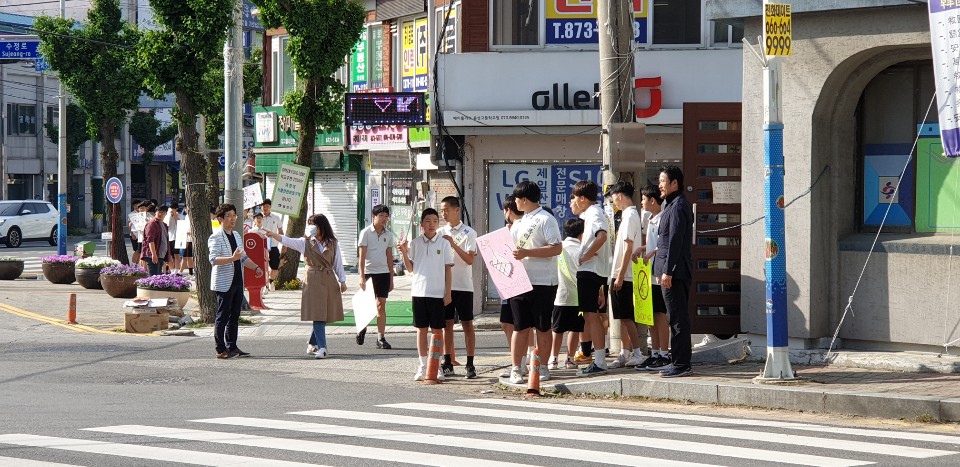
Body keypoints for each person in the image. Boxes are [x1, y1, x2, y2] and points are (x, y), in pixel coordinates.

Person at [263, 215, 347, 359]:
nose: (310, 227)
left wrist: (343, 280)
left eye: (313, 224)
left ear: (322, 226)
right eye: (309, 224)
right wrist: (274, 235)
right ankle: (322, 348)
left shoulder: (332, 242)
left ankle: (311, 343)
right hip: (313, 279)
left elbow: (338, 262)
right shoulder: (305, 242)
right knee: (318, 314)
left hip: (328, 277)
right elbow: (288, 241)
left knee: (325, 314)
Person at [507, 181, 562, 384]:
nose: (514, 202)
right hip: (519, 281)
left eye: (516, 198)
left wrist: (527, 253)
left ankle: (543, 366)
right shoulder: (518, 223)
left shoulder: (546, 219)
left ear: (524, 199)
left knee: (542, 327)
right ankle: (516, 368)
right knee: (520, 327)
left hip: (543, 282)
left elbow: (556, 248)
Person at [398, 208, 453, 382]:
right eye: (428, 221)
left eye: (435, 221)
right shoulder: (415, 243)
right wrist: (404, 252)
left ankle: (436, 367)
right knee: (421, 330)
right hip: (419, 292)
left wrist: (448, 292)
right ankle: (422, 365)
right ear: (421, 224)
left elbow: (447, 269)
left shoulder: (444, 244)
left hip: (437, 293)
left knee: (437, 331)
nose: (431, 224)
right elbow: (410, 268)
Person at [208, 203, 264, 359]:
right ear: (220, 218)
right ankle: (220, 349)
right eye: (229, 216)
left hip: (238, 281)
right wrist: (232, 258)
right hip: (224, 282)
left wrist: (256, 267)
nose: (233, 219)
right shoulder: (216, 236)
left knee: (234, 316)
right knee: (222, 316)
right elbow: (213, 259)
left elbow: (243, 257)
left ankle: (232, 346)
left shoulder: (237, 235)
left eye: (234, 215)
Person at [569, 180, 613, 376]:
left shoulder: (594, 212)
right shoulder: (593, 213)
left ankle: (600, 362)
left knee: (591, 315)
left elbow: (601, 236)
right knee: (591, 315)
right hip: (594, 271)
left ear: (583, 198)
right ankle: (599, 360)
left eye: (575, 197)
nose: (574, 201)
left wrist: (585, 255)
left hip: (590, 271)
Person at [656, 165, 694, 378]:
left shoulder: (678, 205)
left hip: (675, 273)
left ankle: (681, 364)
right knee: (674, 317)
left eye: (663, 181)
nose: (660, 185)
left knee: (677, 318)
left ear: (674, 183)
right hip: (671, 271)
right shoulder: (671, 204)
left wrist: (668, 271)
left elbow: (676, 241)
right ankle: (679, 361)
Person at [606, 182, 646, 369]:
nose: (613, 201)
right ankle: (624, 352)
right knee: (622, 317)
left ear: (620, 195)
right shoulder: (629, 215)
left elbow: (629, 247)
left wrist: (620, 275)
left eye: (613, 197)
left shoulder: (630, 215)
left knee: (627, 316)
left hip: (625, 274)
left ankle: (636, 352)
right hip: (623, 273)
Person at [438, 196, 478, 379]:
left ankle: (470, 363)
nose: (443, 213)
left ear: (457, 210)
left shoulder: (469, 232)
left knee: (467, 324)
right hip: (445, 285)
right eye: (442, 210)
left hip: (464, 285)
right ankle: (447, 360)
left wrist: (453, 243)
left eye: (446, 209)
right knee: (447, 324)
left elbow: (470, 259)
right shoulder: (439, 232)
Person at [635, 184, 671, 371]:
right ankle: (655, 353)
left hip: (659, 274)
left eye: (643, 199)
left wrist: (652, 252)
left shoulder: (665, 217)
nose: (641, 203)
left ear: (652, 200)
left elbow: (665, 244)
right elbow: (653, 244)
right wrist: (643, 250)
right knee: (651, 316)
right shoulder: (651, 218)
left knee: (660, 315)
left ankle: (664, 354)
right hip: (648, 274)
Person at [356, 205, 395, 349]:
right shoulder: (365, 233)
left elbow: (389, 257)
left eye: (386, 216)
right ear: (374, 216)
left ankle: (381, 337)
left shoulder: (389, 235)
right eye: (381, 215)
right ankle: (362, 328)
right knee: (366, 306)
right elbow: (362, 256)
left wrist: (391, 278)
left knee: (381, 304)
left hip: (383, 273)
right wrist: (361, 276)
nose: (384, 219)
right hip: (368, 272)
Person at [549, 218, 585, 371]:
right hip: (578, 297)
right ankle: (570, 359)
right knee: (575, 329)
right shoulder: (582, 250)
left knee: (557, 330)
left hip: (560, 296)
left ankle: (553, 359)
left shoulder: (559, 248)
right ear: (581, 233)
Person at [260, 199, 285, 289]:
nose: (265, 208)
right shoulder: (258, 218)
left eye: (267, 206)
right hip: (261, 246)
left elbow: (281, 231)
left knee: (275, 266)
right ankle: (263, 285)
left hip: (273, 245)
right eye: (263, 206)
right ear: (261, 207)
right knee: (262, 266)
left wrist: (284, 243)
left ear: (270, 207)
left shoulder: (276, 217)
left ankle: (270, 281)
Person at [142, 205, 172, 277]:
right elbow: (150, 240)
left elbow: (165, 240)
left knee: (158, 276)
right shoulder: (152, 223)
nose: (161, 214)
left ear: (166, 214)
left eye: (163, 212)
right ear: (155, 212)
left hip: (161, 255)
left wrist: (168, 254)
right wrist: (153, 254)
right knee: (153, 276)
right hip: (153, 255)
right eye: (159, 212)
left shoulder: (164, 225)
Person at [180, 205, 195, 277]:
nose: (186, 209)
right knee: (185, 256)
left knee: (189, 256)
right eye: (185, 208)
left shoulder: (193, 217)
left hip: (191, 239)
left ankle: (190, 273)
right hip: (186, 239)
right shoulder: (186, 217)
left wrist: (191, 232)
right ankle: (181, 272)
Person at [166, 202, 181, 274]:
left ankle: (177, 270)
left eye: (172, 209)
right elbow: (167, 224)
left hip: (176, 237)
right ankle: (171, 270)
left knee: (176, 254)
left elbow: (179, 223)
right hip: (168, 237)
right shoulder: (167, 215)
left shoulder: (179, 215)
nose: (171, 210)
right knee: (169, 255)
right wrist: (169, 215)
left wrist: (174, 214)